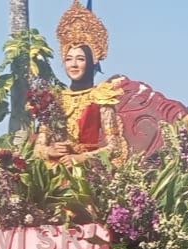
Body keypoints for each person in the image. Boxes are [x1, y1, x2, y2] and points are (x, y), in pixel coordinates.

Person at [34, 0, 127, 167]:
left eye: (80, 59)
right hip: (53, 173)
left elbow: (115, 147)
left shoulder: (101, 96)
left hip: (85, 175)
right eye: (68, 59)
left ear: (91, 62)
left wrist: (80, 159)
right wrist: (50, 150)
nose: (73, 65)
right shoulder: (55, 99)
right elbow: (37, 148)